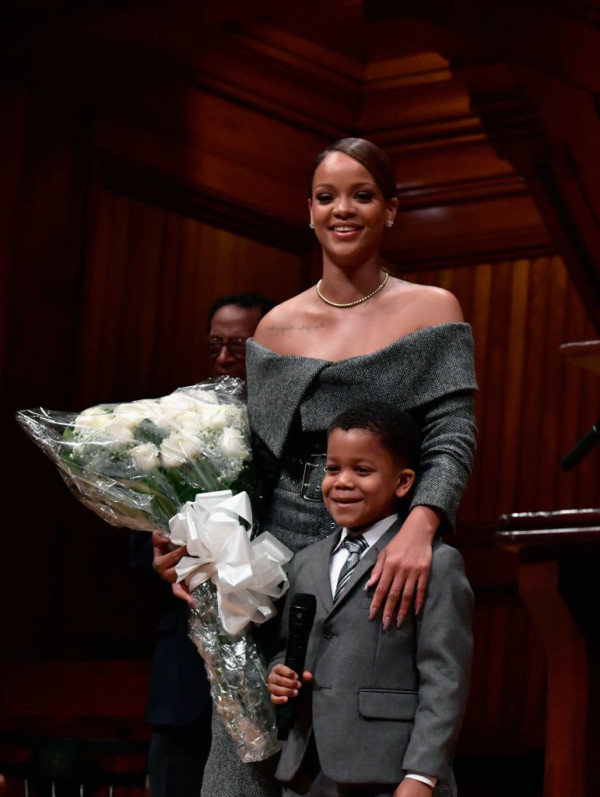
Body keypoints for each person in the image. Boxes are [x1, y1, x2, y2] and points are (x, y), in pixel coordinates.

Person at [200, 138, 477, 796]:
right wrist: (193, 541)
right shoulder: (274, 327)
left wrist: (422, 527)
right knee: (249, 732)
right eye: (327, 196)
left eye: (362, 194)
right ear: (309, 211)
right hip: (275, 545)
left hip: (383, 543)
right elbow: (250, 462)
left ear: (391, 210)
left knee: (367, 722)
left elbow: (451, 436)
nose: (342, 209)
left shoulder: (432, 309)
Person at [267, 403, 474, 797]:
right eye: (332, 469)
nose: (342, 482)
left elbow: (445, 678)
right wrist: (280, 671)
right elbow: (288, 647)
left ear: (403, 482)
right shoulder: (305, 562)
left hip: (387, 772)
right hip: (305, 771)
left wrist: (421, 775)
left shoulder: (436, 564)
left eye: (362, 470)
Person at [129, 293, 273, 797]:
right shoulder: (177, 423)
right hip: (185, 673)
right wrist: (159, 557)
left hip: (264, 650)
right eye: (215, 345)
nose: (224, 358)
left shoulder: (284, 431)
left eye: (239, 345)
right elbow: (137, 535)